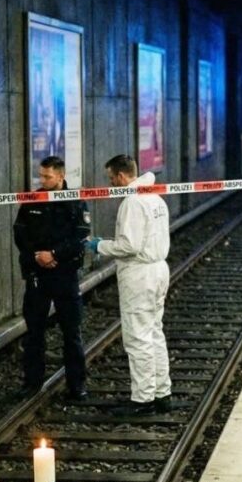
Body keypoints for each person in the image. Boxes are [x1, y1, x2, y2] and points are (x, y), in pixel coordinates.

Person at [86, 154, 172, 415]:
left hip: (140, 274)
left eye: (111, 178)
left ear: (122, 176)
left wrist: (99, 245)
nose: (111, 183)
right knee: (154, 332)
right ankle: (162, 393)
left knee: (138, 337)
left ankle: (143, 400)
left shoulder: (133, 201)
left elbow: (129, 246)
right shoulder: (154, 197)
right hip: (158, 269)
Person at [13, 156, 90, 399]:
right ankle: (32, 383)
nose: (42, 180)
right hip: (38, 275)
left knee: (71, 332)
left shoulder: (75, 201)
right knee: (34, 332)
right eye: (41, 176)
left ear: (61, 176)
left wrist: (54, 254)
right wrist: (37, 256)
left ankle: (76, 386)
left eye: (47, 176)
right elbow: (20, 234)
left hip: (65, 274)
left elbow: (81, 236)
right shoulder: (32, 200)